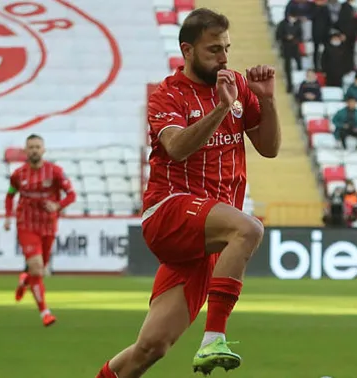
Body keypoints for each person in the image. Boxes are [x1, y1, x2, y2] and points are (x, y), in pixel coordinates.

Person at [95, 8, 281, 378]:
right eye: (214, 49)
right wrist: (223, 108)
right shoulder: (167, 95)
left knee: (151, 347)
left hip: (207, 232)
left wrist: (268, 101)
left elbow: (270, 148)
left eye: (226, 48)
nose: (223, 58)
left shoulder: (237, 85)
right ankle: (214, 339)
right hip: (169, 211)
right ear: (188, 50)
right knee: (248, 229)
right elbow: (177, 148)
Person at [5, 134, 76, 327]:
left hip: (48, 226)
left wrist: (58, 205)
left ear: (43, 150)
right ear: (26, 151)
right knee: (37, 267)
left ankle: (25, 279)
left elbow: (71, 194)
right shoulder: (18, 175)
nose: (34, 150)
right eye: (31, 147)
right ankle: (45, 312)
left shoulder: (55, 172)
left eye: (37, 147)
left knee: (39, 271)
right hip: (26, 225)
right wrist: (8, 217)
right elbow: (10, 195)